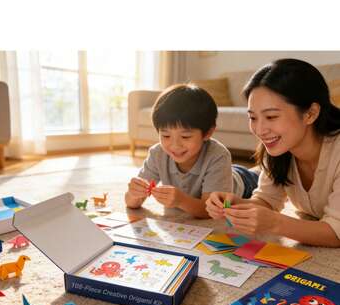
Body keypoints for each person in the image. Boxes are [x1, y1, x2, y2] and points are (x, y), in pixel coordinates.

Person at [206, 58, 340, 247]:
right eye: (253, 117)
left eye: (271, 117)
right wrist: (235, 204)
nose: (260, 130)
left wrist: (276, 223)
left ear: (310, 113)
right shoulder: (280, 148)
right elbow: (266, 200)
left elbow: (335, 234)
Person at [125, 83, 259, 218]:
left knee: (261, 178)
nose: (175, 145)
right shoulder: (157, 154)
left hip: (243, 181)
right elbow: (131, 203)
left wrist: (181, 201)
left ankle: (259, 170)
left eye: (185, 137)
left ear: (208, 133)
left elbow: (209, 212)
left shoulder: (218, 155)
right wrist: (133, 194)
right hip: (222, 171)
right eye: (165, 136)